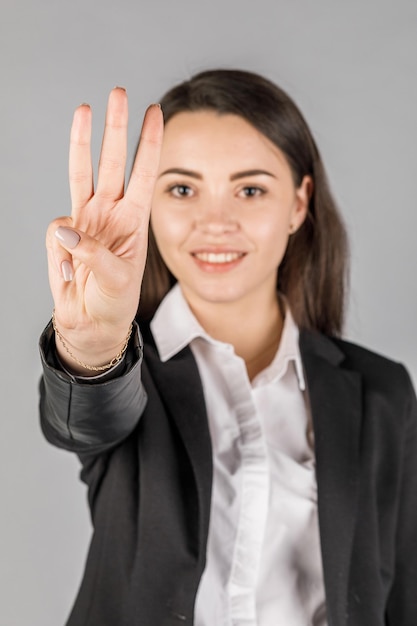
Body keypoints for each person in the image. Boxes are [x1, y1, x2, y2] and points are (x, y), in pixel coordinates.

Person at [39, 70, 417, 626]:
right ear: (148, 207)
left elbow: (403, 597)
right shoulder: (129, 369)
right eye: (182, 189)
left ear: (298, 203)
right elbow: (81, 420)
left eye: (250, 189)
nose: (215, 223)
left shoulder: (382, 394)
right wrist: (92, 345)